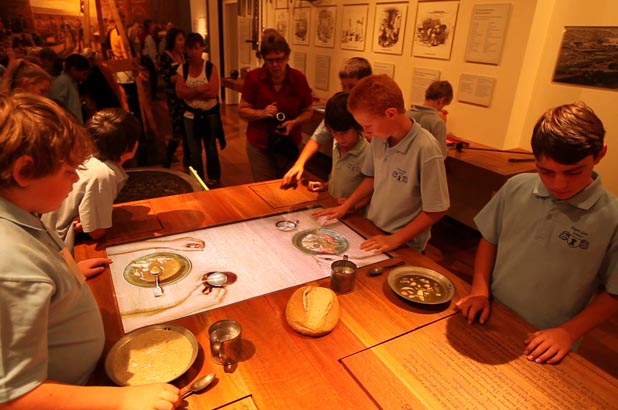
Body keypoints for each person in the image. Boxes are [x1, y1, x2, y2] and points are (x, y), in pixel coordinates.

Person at [0, 93, 180, 409]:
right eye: (70, 170)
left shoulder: (23, 210)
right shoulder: (11, 266)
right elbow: (14, 396)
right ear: (24, 171)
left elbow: (43, 261)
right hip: (77, 392)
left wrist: (66, 277)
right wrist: (122, 400)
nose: (75, 180)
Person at [455, 101, 618, 364]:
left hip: (549, 337)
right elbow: (490, 237)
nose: (559, 184)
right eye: (546, 171)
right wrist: (479, 290)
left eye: (573, 172)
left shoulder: (613, 218)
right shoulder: (516, 187)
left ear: (600, 155)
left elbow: (614, 292)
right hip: (492, 311)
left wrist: (568, 332)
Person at [314, 75, 450, 253]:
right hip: (373, 228)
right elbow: (372, 177)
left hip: (405, 243)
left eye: (368, 126)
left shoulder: (426, 149)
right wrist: (346, 206)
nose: (366, 132)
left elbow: (437, 209)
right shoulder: (380, 139)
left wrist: (395, 239)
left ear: (391, 114)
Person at [41, 108, 140, 251]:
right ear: (130, 147)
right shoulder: (102, 174)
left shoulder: (86, 157)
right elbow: (96, 232)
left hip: (51, 238)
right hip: (63, 248)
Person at [281, 57, 372, 189]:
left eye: (352, 86)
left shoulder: (374, 117)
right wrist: (299, 164)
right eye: (343, 86)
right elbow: (317, 138)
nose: (346, 92)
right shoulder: (341, 107)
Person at [238, 30, 313, 182]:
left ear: (287, 56)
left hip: (290, 144)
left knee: (289, 186)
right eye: (270, 60)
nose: (275, 65)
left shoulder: (298, 79)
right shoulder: (254, 78)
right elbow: (242, 110)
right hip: (260, 144)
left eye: (279, 59)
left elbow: (308, 111)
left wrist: (293, 123)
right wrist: (261, 113)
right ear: (264, 59)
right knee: (264, 187)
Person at [175, 32, 225, 186]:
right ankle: (197, 180)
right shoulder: (182, 69)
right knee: (194, 150)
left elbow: (213, 92)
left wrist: (191, 92)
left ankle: (214, 177)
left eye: (197, 48)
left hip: (209, 114)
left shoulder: (210, 67)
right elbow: (180, 93)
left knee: (211, 147)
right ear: (187, 50)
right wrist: (201, 89)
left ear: (202, 48)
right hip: (190, 115)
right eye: (191, 49)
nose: (194, 52)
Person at [305, 91, 369, 206]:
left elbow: (371, 189)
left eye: (344, 133)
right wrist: (326, 185)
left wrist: (353, 204)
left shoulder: (367, 152)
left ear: (357, 125)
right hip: (332, 205)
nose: (339, 138)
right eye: (334, 132)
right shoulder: (337, 144)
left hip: (353, 214)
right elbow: (342, 179)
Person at [159, 27, 188, 168]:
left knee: (188, 128)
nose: (182, 43)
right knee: (178, 129)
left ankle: (187, 163)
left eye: (183, 39)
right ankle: (167, 159)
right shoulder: (165, 56)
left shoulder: (184, 55)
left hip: (187, 96)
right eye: (180, 40)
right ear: (173, 41)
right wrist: (184, 74)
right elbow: (167, 78)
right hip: (174, 97)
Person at [407, 80, 453, 158]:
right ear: (440, 101)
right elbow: (441, 154)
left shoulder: (407, 114)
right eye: (444, 105)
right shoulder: (438, 122)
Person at [48, 53, 90, 123]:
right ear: (73, 69)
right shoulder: (62, 82)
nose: (85, 78)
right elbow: (56, 106)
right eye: (84, 74)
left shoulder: (71, 82)